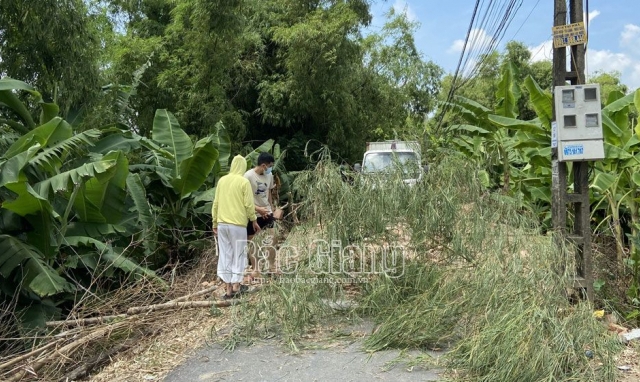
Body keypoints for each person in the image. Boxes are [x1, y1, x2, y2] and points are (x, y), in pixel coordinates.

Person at [212, 155, 260, 299]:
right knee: (239, 254)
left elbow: (216, 203)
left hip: (222, 224)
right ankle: (236, 286)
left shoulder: (222, 181)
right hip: (237, 225)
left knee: (225, 255)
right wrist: (253, 220)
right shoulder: (243, 182)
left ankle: (227, 291)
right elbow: (248, 205)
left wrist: (215, 223)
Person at [244, 152, 279, 280]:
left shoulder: (269, 175)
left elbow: (268, 192)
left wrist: (271, 208)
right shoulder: (248, 176)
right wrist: (257, 209)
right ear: (263, 165)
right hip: (253, 213)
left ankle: (271, 265)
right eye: (269, 166)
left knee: (274, 236)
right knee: (252, 242)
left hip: (267, 212)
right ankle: (256, 269)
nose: (270, 169)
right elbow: (244, 197)